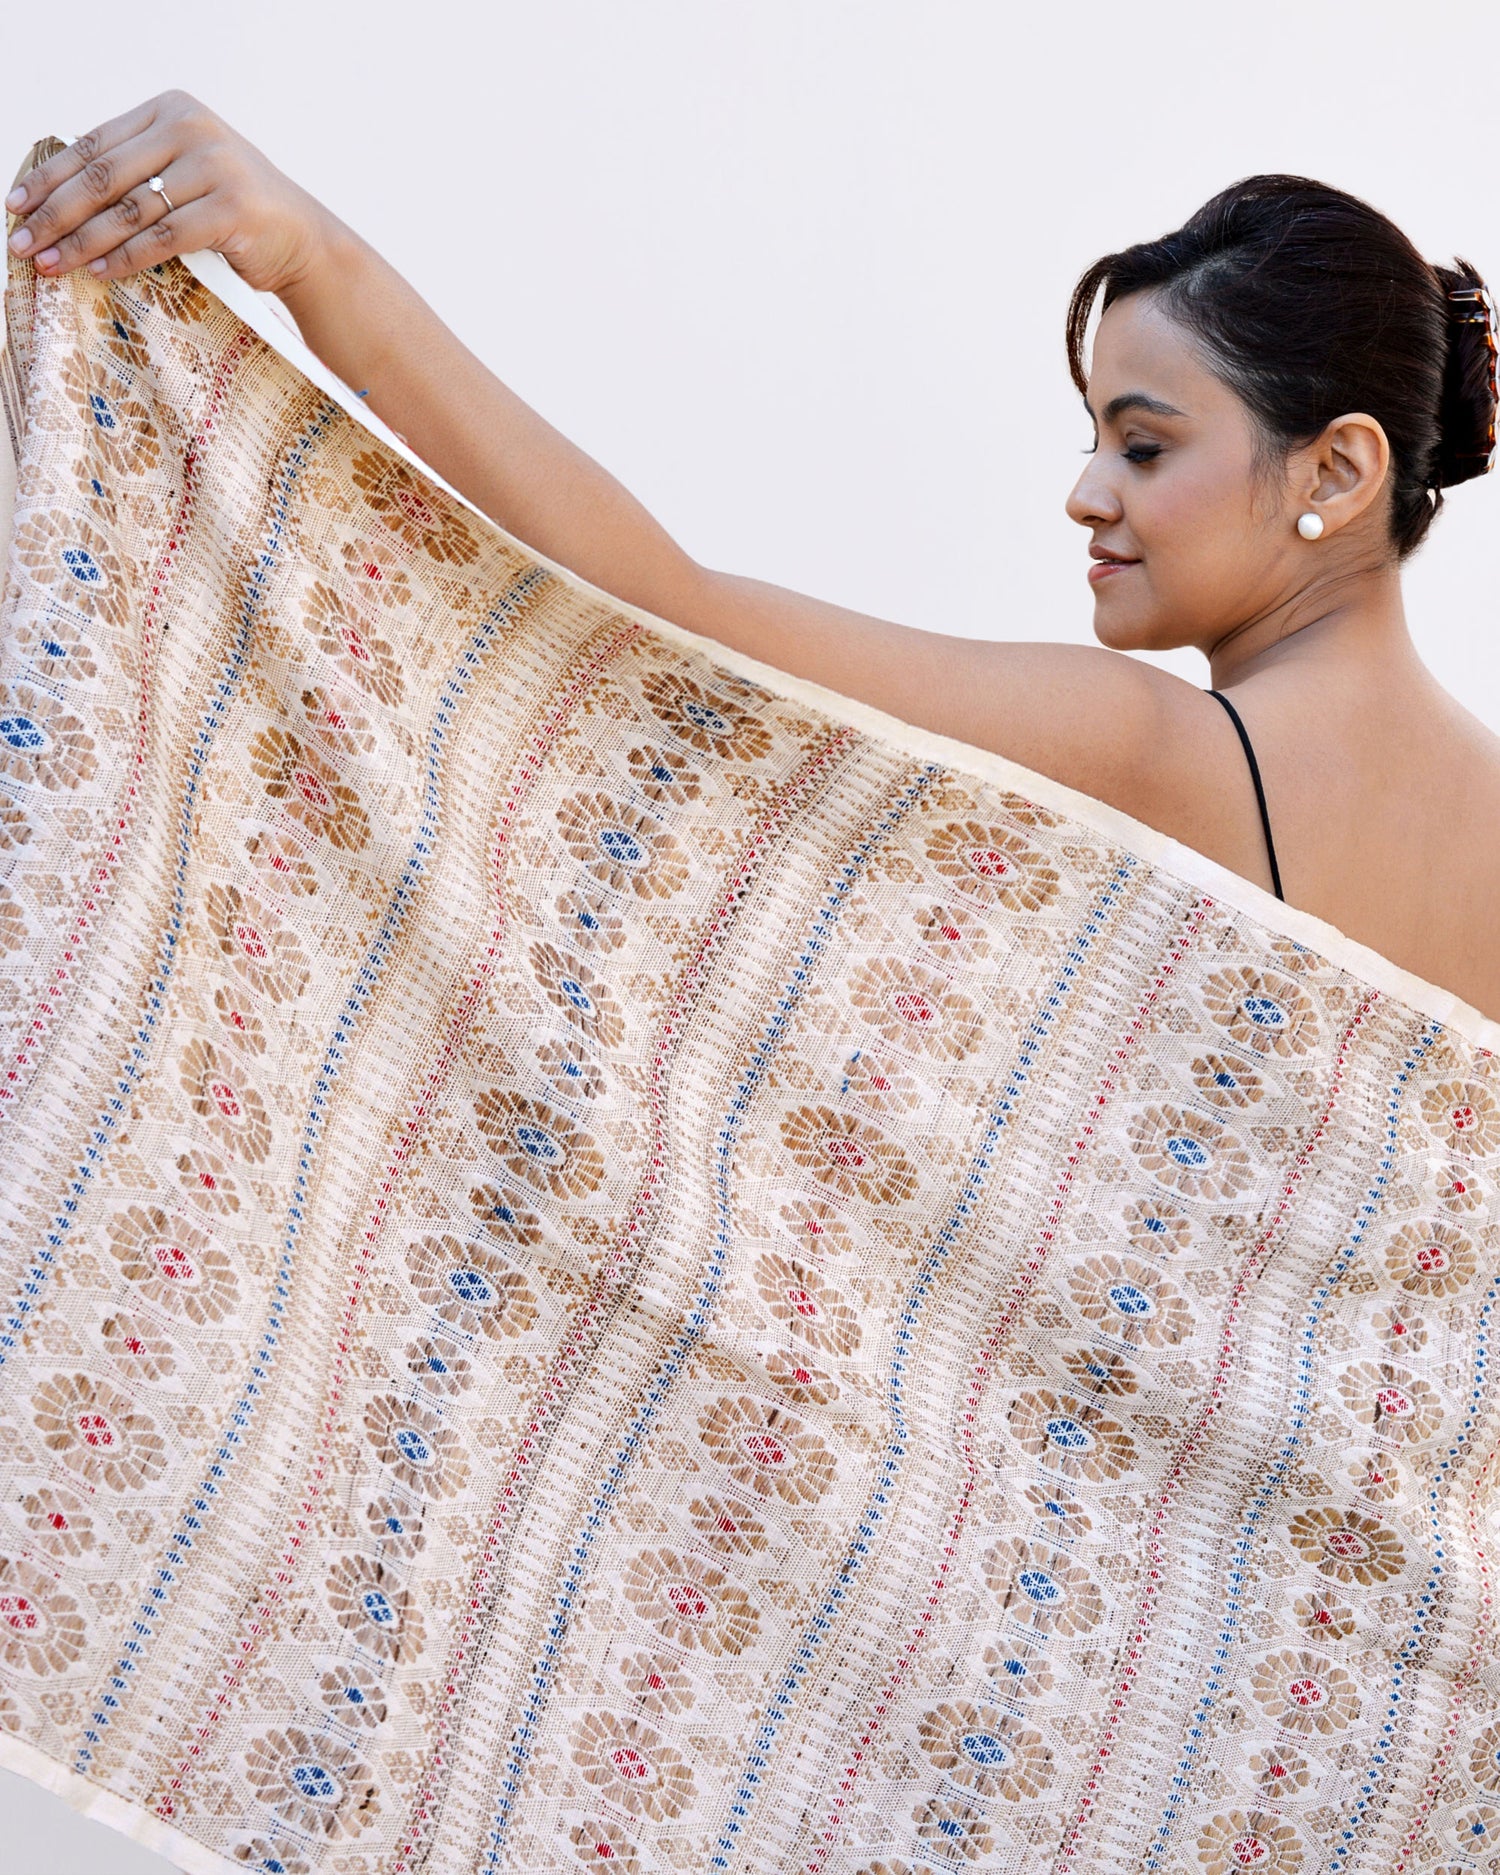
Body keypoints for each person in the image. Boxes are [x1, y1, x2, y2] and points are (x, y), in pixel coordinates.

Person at [8, 90, 1498, 1020]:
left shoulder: (1166, 752)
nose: (1086, 495)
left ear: (1342, 468)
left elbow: (668, 608)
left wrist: (316, 261)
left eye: (1145, 444)